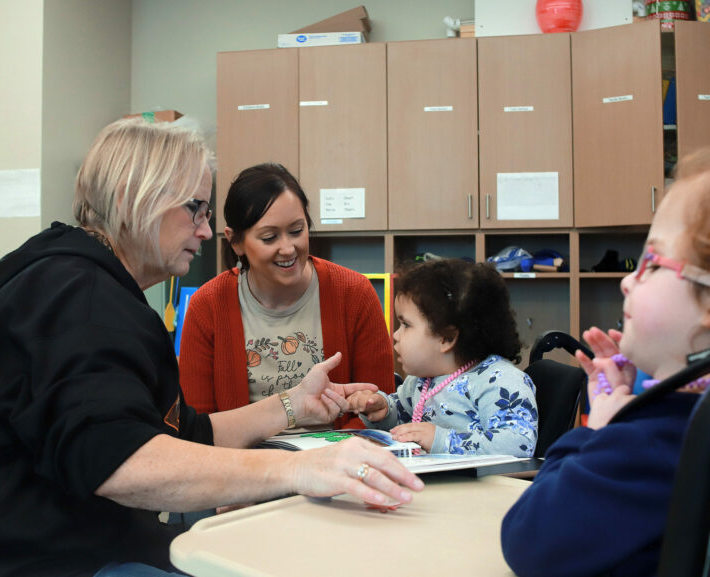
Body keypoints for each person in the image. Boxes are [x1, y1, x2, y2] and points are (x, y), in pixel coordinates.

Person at [0, 118, 423, 577]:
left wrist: (291, 405)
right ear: (134, 199)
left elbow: (185, 433)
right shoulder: (77, 298)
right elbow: (123, 463)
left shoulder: (96, 291)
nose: (206, 230)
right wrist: (299, 468)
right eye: (195, 209)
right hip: (23, 562)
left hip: (78, 546)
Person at [501, 148, 710, 577]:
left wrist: (598, 430)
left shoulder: (657, 439)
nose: (627, 279)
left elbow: (528, 539)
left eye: (652, 264)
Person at [178, 162, 395, 430]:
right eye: (269, 237)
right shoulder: (208, 306)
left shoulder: (354, 294)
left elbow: (380, 411)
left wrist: (337, 446)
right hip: (241, 456)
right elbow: (198, 426)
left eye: (296, 231)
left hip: (339, 453)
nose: (288, 249)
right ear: (235, 241)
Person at [346, 258, 538, 456]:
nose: (396, 335)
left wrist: (441, 440)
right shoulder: (422, 380)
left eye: (406, 325)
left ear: (447, 338)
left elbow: (518, 445)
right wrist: (384, 411)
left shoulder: (500, 382)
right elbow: (403, 416)